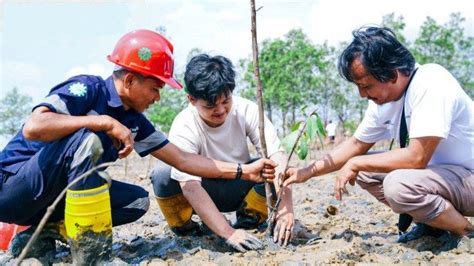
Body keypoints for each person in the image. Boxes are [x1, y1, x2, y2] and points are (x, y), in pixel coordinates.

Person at [0, 30, 276, 262]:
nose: (157, 98)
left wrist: (243, 170)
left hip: (48, 202)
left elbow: (183, 160)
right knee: (88, 140)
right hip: (13, 188)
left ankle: (42, 232)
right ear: (130, 80)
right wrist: (104, 123)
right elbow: (34, 126)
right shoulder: (88, 89)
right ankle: (93, 257)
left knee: (136, 201)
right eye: (155, 88)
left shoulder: (134, 122)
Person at [282, 26, 473, 250]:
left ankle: (465, 232)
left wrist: (356, 162)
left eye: (365, 85)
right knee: (365, 170)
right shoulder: (383, 102)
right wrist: (307, 172)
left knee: (398, 185)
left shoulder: (431, 82)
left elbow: (417, 157)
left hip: (468, 178)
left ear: (392, 74)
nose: (362, 95)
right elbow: (356, 144)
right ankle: (433, 223)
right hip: (445, 180)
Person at [150, 54, 295, 252]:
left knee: (268, 166)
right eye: (210, 106)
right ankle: (186, 229)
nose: (220, 111)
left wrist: (286, 209)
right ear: (191, 99)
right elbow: (190, 186)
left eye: (226, 101)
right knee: (163, 173)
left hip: (240, 188)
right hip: (202, 191)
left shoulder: (247, 110)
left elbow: (277, 155)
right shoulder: (184, 125)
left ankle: (249, 221)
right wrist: (228, 233)